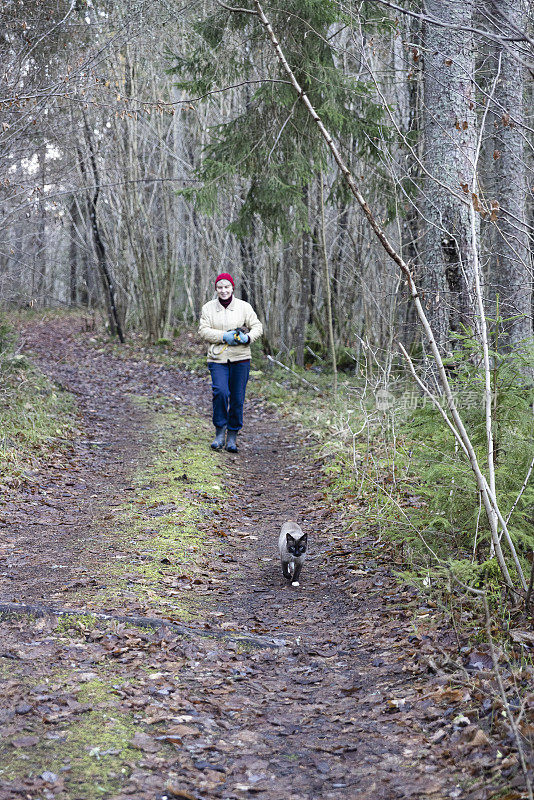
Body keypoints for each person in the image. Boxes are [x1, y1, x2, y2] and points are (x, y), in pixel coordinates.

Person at [198, 273, 263, 453]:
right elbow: (203, 331)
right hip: (217, 358)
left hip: (241, 359)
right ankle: (220, 432)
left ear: (232, 288)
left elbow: (258, 326)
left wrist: (247, 337)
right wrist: (222, 336)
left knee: (237, 397)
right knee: (220, 392)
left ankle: (232, 435)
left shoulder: (244, 307)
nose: (224, 290)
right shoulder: (208, 308)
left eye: (227, 287)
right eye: (220, 287)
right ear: (216, 289)